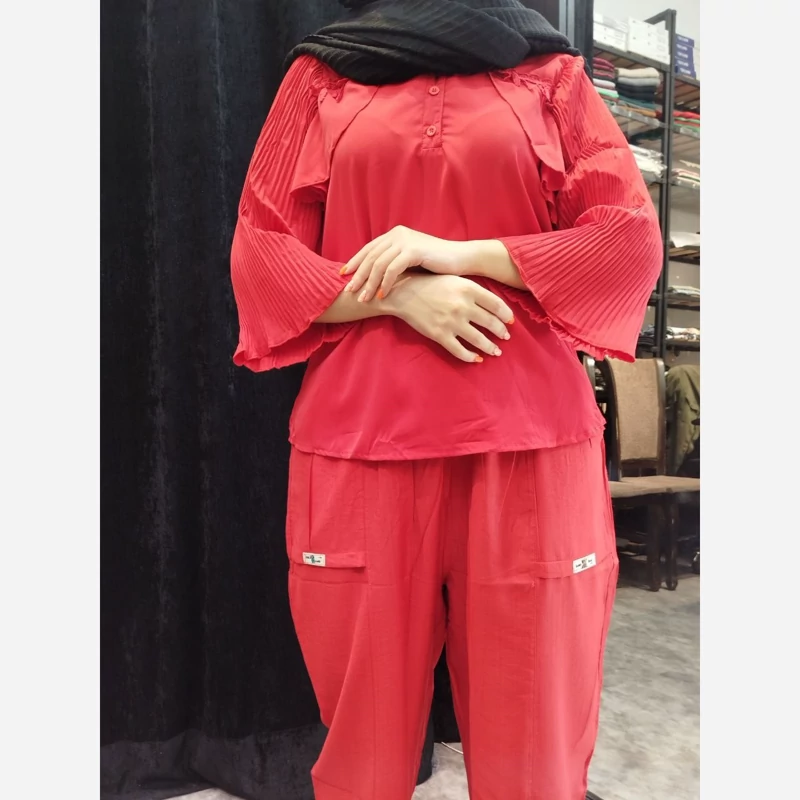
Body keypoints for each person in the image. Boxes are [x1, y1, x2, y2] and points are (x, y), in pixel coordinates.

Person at [230, 1, 661, 798]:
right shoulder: (322, 74)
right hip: (362, 439)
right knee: (362, 748)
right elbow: (260, 254)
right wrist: (399, 295)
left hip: (531, 442)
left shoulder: (552, 74)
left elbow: (629, 241)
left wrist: (461, 255)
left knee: (535, 745)